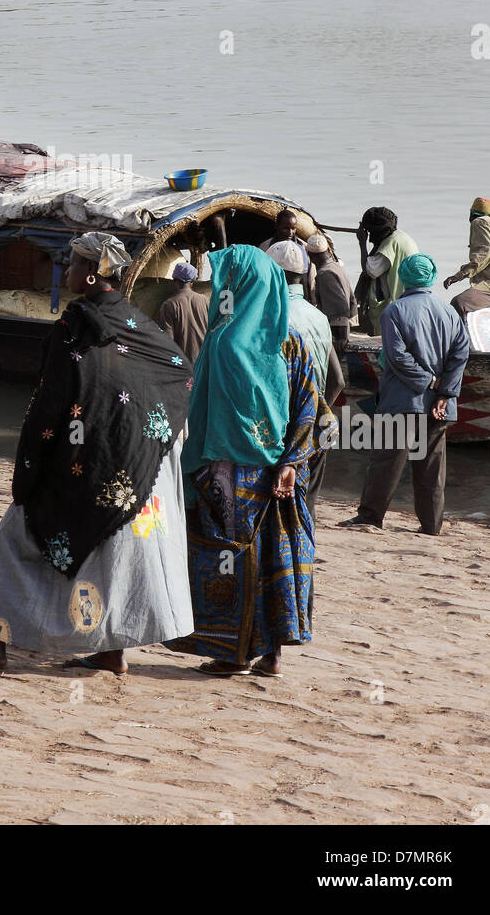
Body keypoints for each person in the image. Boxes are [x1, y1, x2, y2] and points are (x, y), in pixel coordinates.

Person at [0, 231, 193, 676]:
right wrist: (147, 436)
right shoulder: (135, 321)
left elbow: (52, 402)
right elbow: (179, 370)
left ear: (95, 272)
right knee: (109, 558)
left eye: (77, 263)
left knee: (14, 540)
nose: (68, 270)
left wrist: (31, 465)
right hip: (132, 470)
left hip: (86, 464)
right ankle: (110, 651)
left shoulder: (75, 325)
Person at [178, 245, 319, 679]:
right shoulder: (289, 340)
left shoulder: (222, 340)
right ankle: (272, 652)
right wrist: (292, 460)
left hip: (225, 472)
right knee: (276, 559)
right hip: (277, 474)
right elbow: (310, 404)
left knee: (231, 560)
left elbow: (199, 407)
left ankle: (232, 651)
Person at [340, 254, 469, 536]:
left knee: (386, 462)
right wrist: (445, 391)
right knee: (432, 469)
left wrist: (430, 382)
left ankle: (370, 517)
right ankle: (431, 525)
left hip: (403, 401)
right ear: (432, 277)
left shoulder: (394, 311)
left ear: (404, 277)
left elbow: (397, 358)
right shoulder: (449, 312)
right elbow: (461, 355)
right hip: (440, 405)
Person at [267, 240, 342, 524]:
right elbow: (338, 381)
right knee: (307, 502)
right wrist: (318, 409)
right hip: (317, 422)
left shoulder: (271, 316)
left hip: (282, 424)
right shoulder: (319, 318)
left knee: (278, 504)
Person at [355, 207, 418, 335]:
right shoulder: (401, 236)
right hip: (407, 303)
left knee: (386, 337)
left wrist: (362, 243)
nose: (370, 237)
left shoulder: (390, 242)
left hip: (392, 306)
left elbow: (370, 270)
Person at [442, 197, 490, 319]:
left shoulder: (479, 222)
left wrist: (458, 276)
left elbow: (485, 252)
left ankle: (457, 338)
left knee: (458, 303)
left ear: (472, 213)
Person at [306, 233, 357, 354]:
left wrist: (342, 338)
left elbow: (341, 308)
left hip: (336, 332)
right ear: (328, 251)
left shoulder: (325, 274)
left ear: (310, 255)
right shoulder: (335, 265)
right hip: (343, 325)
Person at [154, 261, 210, 364]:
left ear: (175, 280)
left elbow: (167, 342)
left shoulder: (169, 305)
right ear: (192, 281)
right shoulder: (205, 301)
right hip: (205, 363)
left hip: (183, 366)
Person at [260, 208, 315, 301]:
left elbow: (311, 278)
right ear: (277, 226)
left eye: (293, 228)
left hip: (300, 296)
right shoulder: (265, 247)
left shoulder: (303, 248)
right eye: (286, 228)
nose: (290, 232)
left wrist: (312, 300)